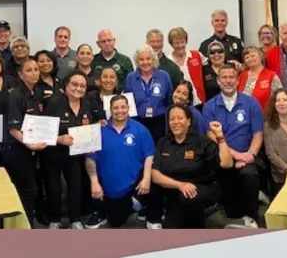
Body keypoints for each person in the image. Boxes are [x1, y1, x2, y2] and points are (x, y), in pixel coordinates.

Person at [150, 104, 234, 229]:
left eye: (179, 118)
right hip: (176, 191)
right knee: (170, 230)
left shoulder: (201, 141)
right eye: (172, 119)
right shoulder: (163, 143)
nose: (175, 122)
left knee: (188, 199)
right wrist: (180, 185)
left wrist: (220, 136)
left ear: (188, 121)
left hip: (201, 189)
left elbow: (227, 164)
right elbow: (155, 175)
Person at [83, 95, 160, 229]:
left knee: (155, 179)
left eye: (123, 107)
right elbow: (90, 159)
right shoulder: (99, 130)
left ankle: (152, 215)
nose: (120, 111)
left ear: (128, 108)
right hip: (110, 185)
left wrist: (147, 178)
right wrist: (94, 183)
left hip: (135, 181)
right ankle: (128, 203)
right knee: (116, 221)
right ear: (110, 110)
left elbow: (149, 155)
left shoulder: (140, 129)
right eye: (116, 108)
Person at [202, 64, 264, 228]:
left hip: (248, 158)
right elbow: (211, 137)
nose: (228, 81)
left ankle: (252, 216)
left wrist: (249, 155)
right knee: (232, 212)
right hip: (224, 159)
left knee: (249, 176)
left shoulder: (251, 103)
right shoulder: (209, 107)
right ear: (218, 80)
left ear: (237, 80)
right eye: (224, 77)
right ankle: (247, 197)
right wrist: (237, 156)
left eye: (231, 77)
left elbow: (258, 134)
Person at [41, 70, 102, 229]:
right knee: (54, 188)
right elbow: (42, 130)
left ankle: (75, 219)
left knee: (76, 187)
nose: (78, 88)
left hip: (75, 155)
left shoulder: (88, 105)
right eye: (74, 84)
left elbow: (94, 124)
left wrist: (98, 126)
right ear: (66, 85)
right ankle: (55, 219)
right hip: (53, 154)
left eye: (82, 86)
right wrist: (59, 139)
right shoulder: (54, 103)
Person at [5, 58, 47, 225]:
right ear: (20, 74)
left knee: (32, 187)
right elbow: (13, 128)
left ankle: (27, 221)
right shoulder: (15, 95)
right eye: (29, 70)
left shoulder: (36, 93)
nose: (34, 73)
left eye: (36, 69)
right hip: (17, 147)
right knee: (28, 189)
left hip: (32, 148)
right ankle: (25, 224)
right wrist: (29, 144)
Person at [123, 45, 174, 144]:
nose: (145, 62)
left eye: (148, 59)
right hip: (139, 121)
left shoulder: (163, 76)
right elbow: (128, 103)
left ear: (154, 60)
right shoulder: (130, 78)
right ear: (137, 62)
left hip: (160, 121)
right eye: (141, 59)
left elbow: (170, 100)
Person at [167, 27, 206, 107]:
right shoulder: (168, 62)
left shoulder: (196, 55)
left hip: (200, 102)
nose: (180, 45)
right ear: (171, 44)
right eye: (176, 43)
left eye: (182, 42)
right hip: (180, 105)